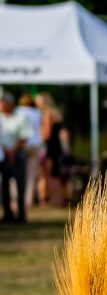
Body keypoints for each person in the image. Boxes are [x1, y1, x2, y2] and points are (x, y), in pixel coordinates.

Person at [0, 92, 32, 223]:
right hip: (3, 155)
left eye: (3, 103)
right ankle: (7, 213)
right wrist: (7, 151)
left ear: (10, 104)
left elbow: (24, 137)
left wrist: (13, 151)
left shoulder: (21, 117)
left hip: (18, 155)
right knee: (4, 186)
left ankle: (21, 214)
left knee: (20, 186)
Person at [37, 93, 70, 206]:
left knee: (50, 175)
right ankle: (57, 198)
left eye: (39, 101)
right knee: (55, 174)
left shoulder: (47, 114)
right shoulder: (57, 114)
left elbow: (46, 134)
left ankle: (54, 199)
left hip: (50, 148)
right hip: (57, 148)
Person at [16, 92, 44, 210]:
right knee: (31, 175)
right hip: (36, 144)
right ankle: (28, 200)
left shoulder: (18, 111)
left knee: (18, 174)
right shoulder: (37, 112)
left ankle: (17, 199)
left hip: (22, 144)